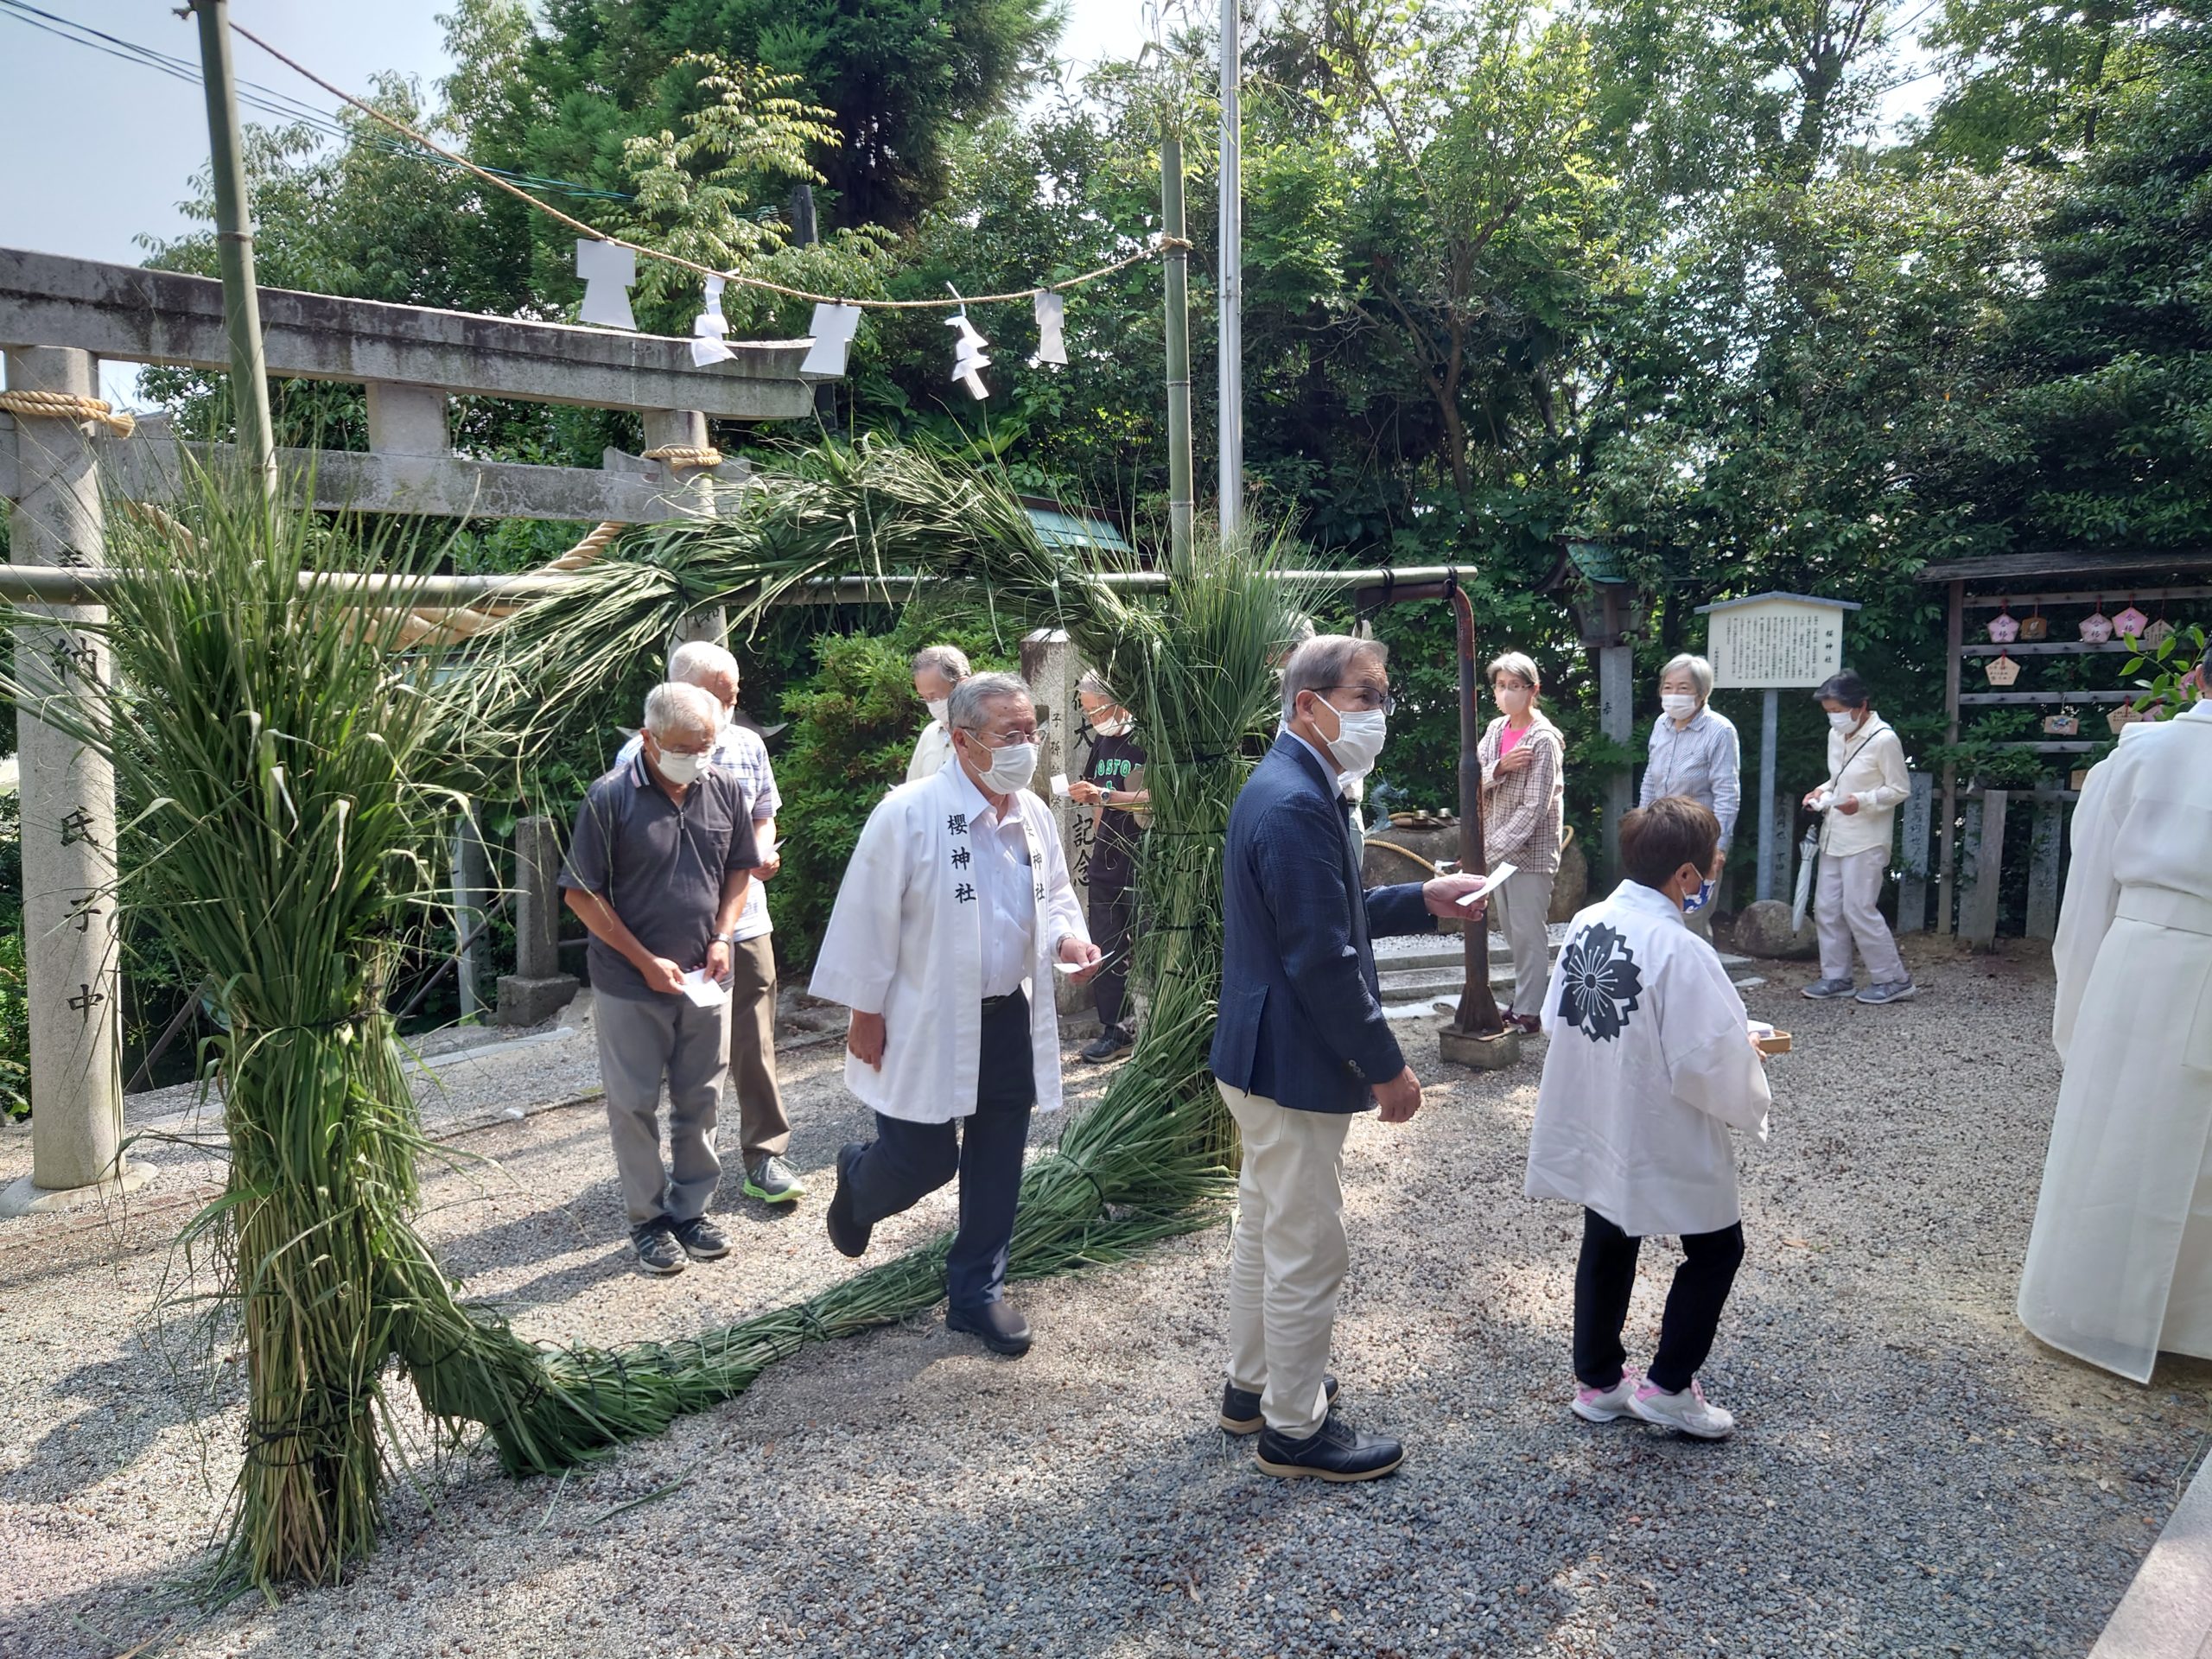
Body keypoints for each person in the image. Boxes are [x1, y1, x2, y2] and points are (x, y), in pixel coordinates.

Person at [1211, 635, 1490, 1481]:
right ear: (1309, 705)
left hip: (1259, 1052)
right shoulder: (1298, 801)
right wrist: (1385, 1064)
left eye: (1382, 695)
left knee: (1265, 1227)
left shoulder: (1290, 783)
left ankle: (1253, 1387)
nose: (1381, 712)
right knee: (1306, 1246)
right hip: (1293, 1060)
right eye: (1365, 696)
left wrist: (1422, 898)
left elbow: (1329, 913)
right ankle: (1294, 1431)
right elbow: (1323, 958)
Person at [811, 672, 1102, 1357]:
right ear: (962, 739)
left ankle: (976, 1292)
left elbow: (1055, 895)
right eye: (1010, 734)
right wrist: (864, 1013)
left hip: (1005, 1016)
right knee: (922, 1161)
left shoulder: (1032, 813)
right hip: (924, 1017)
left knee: (999, 1158)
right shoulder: (908, 813)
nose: (1026, 746)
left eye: (1032, 732)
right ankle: (860, 1180)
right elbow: (867, 919)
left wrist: (1068, 940)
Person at [1526, 796, 1773, 1440]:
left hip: (1600, 1106)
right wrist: (1745, 1061)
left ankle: (1600, 1381)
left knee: (1608, 1232)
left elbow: (1556, 1017)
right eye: (1712, 859)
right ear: (1686, 874)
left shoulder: (1588, 921)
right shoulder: (1679, 947)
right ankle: (1667, 1387)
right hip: (1658, 1118)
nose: (1716, 867)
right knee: (1716, 1246)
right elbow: (1708, 1056)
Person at [2017, 640, 2212, 1382]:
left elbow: (2088, 897)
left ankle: (2098, 1303)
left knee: (2122, 1130)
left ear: (2196, 677)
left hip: (2141, 963)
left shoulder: (2138, 756)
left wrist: (2077, 1013)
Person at [561, 683, 760, 1275]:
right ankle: (647, 1220)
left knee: (702, 1099)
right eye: (683, 748)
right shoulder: (610, 797)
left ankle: (692, 1210)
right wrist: (645, 960)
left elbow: (739, 870)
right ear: (648, 740)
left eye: (706, 745)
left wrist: (723, 935)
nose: (697, 757)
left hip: (707, 975)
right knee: (633, 1104)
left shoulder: (723, 787)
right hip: (628, 982)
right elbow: (580, 894)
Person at [613, 641, 801, 1205]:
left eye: (733, 696)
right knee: (687, 1058)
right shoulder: (636, 758)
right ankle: (691, 1175)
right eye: (720, 697)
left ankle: (765, 1155)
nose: (730, 707)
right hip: (672, 931)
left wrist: (760, 850)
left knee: (755, 1043)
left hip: (745, 922)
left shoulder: (746, 744)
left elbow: (765, 813)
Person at [1798, 670, 1915, 1005]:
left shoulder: (1884, 739)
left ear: (1861, 706)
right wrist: (1820, 791)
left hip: (1867, 837)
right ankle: (1836, 976)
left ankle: (1893, 979)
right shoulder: (1836, 735)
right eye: (1829, 711)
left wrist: (1861, 801)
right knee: (1826, 908)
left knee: (1858, 908)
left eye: (1838, 710)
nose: (1834, 717)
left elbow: (1899, 789)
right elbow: (1838, 778)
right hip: (1834, 832)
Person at [1477, 652, 1566, 1033]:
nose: (1507, 693)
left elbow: (1535, 806)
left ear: (1533, 690)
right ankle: (1527, 1000)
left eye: (1515, 686)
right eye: (1501, 686)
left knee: (1529, 931)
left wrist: (1489, 849)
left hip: (1530, 851)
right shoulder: (1496, 729)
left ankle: (1530, 1011)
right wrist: (1500, 766)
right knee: (1513, 931)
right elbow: (1473, 776)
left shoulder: (1544, 739)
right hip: (1497, 848)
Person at [1068, 671, 1148, 1063]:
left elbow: (1156, 798)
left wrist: (1104, 795)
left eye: (1097, 710)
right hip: (1105, 860)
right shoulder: (1102, 740)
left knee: (1149, 945)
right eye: (1088, 712)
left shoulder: (1148, 738)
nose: (1094, 719)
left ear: (1120, 701)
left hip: (1144, 859)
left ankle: (1155, 1028)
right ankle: (1116, 1030)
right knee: (1107, 945)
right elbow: (1097, 800)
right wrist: (1094, 801)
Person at [1639, 654, 1741, 937]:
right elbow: (1650, 778)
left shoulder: (1720, 730)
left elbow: (1727, 793)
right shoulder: (1661, 723)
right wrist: (1641, 825)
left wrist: (1719, 847)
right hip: (1658, 835)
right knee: (1655, 917)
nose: (1673, 694)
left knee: (1691, 920)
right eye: (1668, 687)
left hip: (1697, 840)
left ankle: (1699, 966)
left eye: (1683, 688)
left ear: (1702, 692)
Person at [906, 644, 971, 785]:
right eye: (924, 698)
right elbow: (912, 787)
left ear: (962, 685)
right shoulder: (930, 733)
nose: (931, 704)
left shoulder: (987, 735)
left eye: (934, 697)